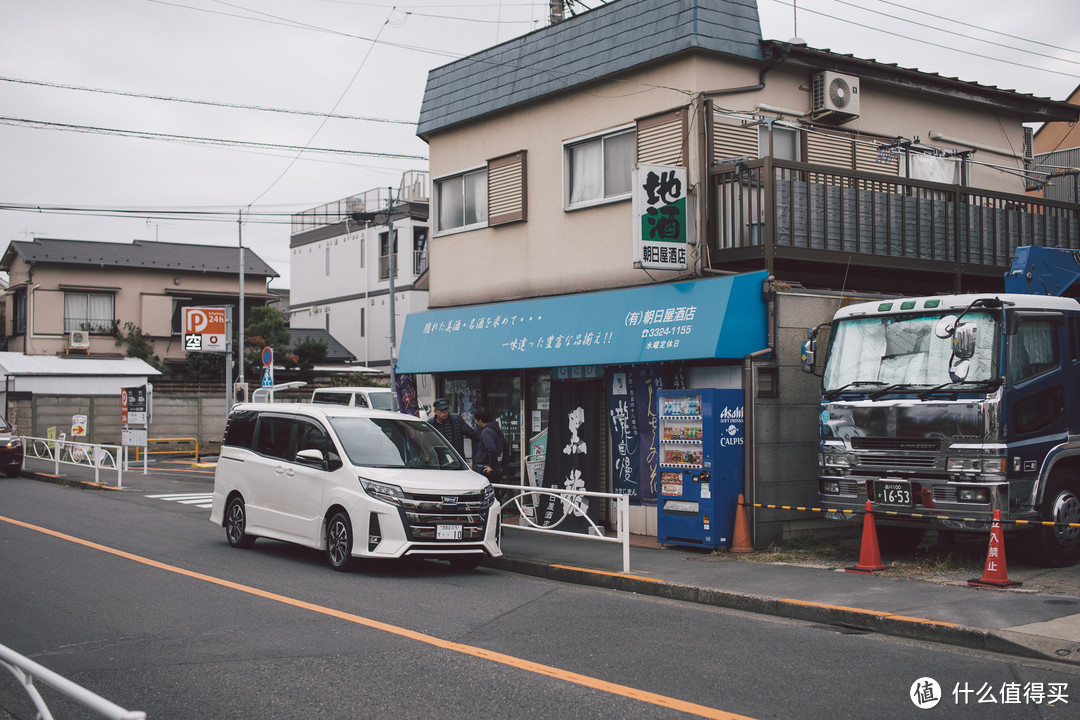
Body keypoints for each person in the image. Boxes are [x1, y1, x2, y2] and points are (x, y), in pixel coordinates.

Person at [473, 407, 508, 482]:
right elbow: (506, 450)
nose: (476, 422)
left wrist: (492, 467)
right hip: (497, 467)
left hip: (485, 468)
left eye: (477, 420)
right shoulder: (498, 430)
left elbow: (491, 449)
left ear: (480, 420)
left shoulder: (486, 431)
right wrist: (502, 467)